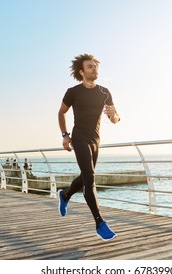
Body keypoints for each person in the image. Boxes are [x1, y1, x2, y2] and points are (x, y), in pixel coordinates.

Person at [57, 54, 120, 241]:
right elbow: (61, 112)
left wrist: (113, 114)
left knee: (86, 176)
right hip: (80, 138)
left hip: (96, 140)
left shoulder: (105, 92)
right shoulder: (73, 92)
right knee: (90, 178)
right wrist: (65, 136)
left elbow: (115, 119)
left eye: (95, 66)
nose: (94, 69)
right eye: (90, 66)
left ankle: (65, 195)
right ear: (81, 71)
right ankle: (100, 222)